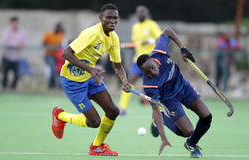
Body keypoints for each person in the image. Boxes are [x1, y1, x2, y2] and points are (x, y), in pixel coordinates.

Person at [51, 3, 130, 156]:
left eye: (115, 18)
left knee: (113, 111)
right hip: (72, 81)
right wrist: (90, 69)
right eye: (109, 18)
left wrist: (124, 81)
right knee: (94, 122)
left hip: (90, 77)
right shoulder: (92, 33)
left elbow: (118, 66)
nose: (112, 21)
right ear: (101, 18)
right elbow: (66, 53)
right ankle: (60, 116)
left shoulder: (114, 38)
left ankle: (97, 147)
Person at [136, 27, 212, 158]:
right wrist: (163, 137)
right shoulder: (149, 85)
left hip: (184, 87)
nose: (152, 73)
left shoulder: (159, 51)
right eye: (147, 72)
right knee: (187, 131)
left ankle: (191, 144)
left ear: (154, 59)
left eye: (152, 68)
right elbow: (154, 109)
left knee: (207, 117)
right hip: (170, 100)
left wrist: (183, 48)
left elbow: (167, 30)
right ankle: (164, 118)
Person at [119, 5, 162, 115]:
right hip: (137, 60)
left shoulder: (152, 24)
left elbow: (160, 37)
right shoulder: (135, 27)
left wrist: (148, 41)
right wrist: (130, 60)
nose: (141, 14)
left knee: (157, 84)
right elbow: (134, 45)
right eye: (139, 12)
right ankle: (122, 108)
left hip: (150, 59)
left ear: (146, 13)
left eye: (143, 12)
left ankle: (162, 109)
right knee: (129, 81)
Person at [1, 16, 27, 90]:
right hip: (7, 57)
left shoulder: (22, 31)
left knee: (16, 75)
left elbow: (25, 42)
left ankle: (13, 88)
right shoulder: (6, 31)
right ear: (11, 23)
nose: (14, 24)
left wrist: (21, 45)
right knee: (5, 75)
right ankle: (4, 88)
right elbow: (6, 42)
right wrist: (16, 45)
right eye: (13, 23)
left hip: (16, 58)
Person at [43, 22, 64, 89]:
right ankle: (51, 85)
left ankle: (57, 85)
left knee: (58, 70)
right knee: (52, 69)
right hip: (49, 55)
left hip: (57, 56)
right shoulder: (48, 34)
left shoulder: (60, 35)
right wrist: (52, 47)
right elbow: (44, 44)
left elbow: (60, 45)